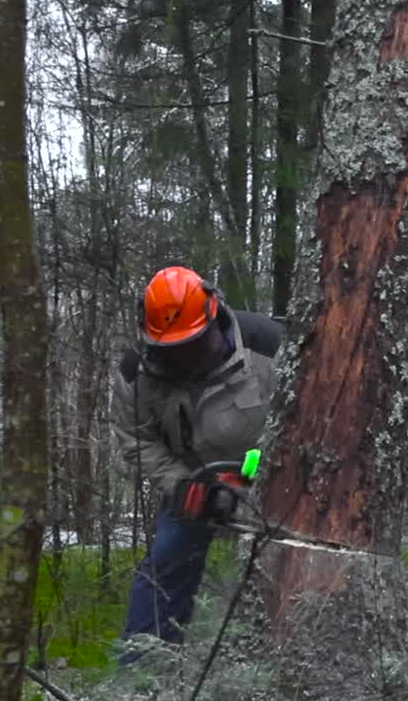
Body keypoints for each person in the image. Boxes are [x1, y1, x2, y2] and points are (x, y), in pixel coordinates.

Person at [114, 266, 283, 659]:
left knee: (280, 572)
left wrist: (254, 477)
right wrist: (184, 486)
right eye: (172, 349)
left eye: (192, 345)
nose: (183, 358)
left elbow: (302, 425)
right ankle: (141, 669)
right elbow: (137, 440)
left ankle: (271, 664)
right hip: (190, 483)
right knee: (164, 565)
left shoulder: (267, 349)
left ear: (213, 317)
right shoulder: (136, 372)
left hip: (268, 483)